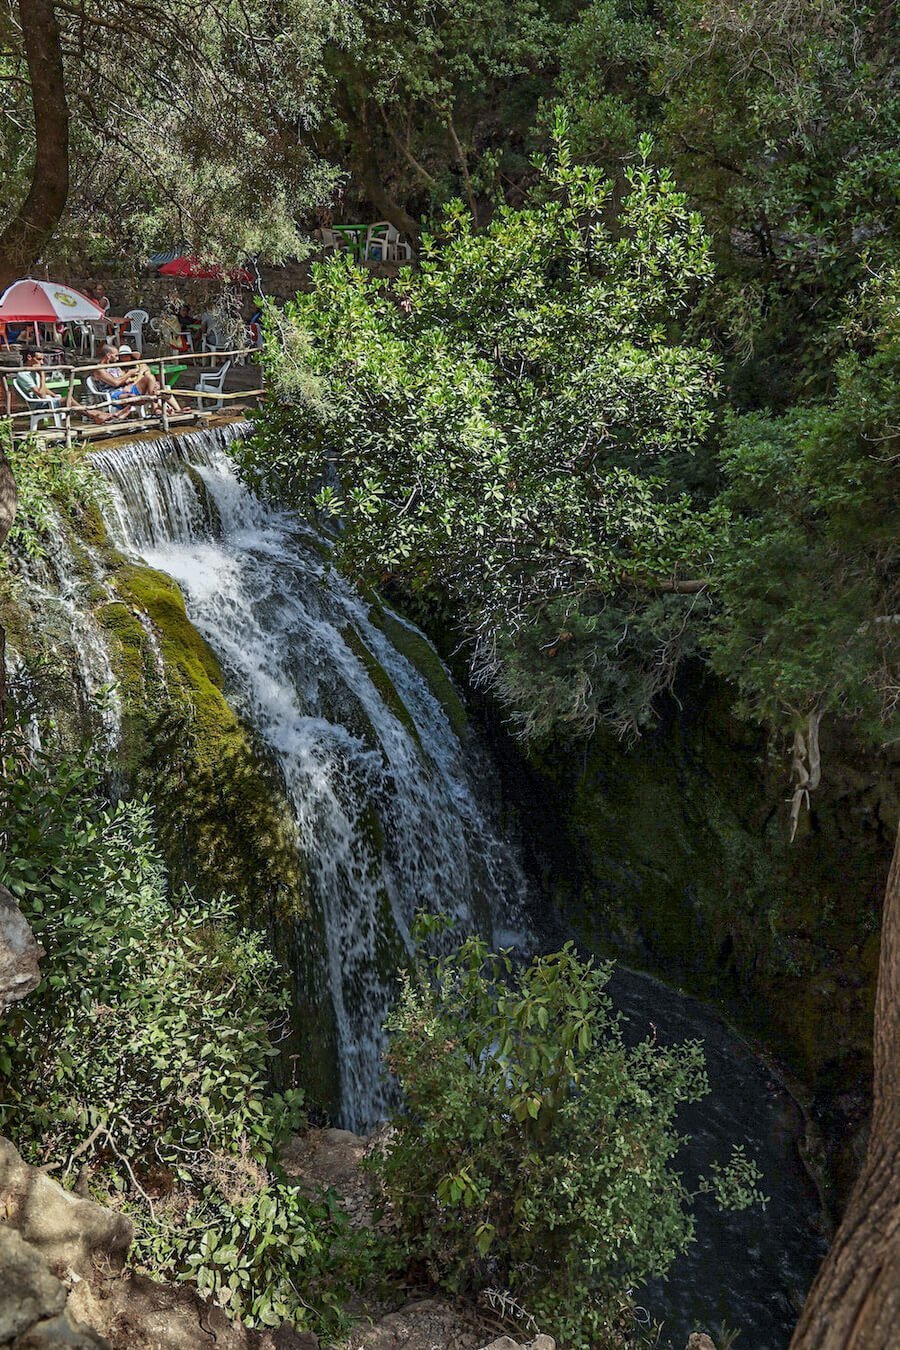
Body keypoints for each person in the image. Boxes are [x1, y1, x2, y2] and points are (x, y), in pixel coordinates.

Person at [14, 346, 113, 425]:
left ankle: (95, 414)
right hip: (39, 405)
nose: (42, 363)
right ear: (29, 357)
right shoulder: (23, 374)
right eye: (39, 359)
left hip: (47, 401)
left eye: (42, 360)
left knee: (67, 399)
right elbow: (42, 395)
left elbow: (44, 389)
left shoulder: (33, 371)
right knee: (67, 400)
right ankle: (94, 415)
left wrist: (54, 395)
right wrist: (42, 375)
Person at [117, 344, 183, 413]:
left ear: (130, 356)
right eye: (122, 357)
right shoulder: (119, 369)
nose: (125, 358)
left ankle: (177, 409)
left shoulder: (140, 364)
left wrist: (152, 382)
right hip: (134, 389)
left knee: (162, 389)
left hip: (148, 387)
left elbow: (148, 373)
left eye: (126, 356)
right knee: (153, 388)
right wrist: (135, 374)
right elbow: (125, 381)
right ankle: (161, 409)